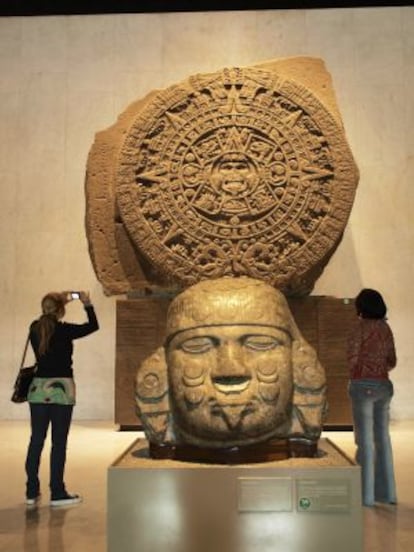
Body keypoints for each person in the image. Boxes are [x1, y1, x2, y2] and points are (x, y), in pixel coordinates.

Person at [25, 291, 99, 507]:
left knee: (36, 440)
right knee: (59, 443)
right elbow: (92, 326)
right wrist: (86, 303)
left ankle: (31, 492)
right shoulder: (65, 330)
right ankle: (57, 492)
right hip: (62, 390)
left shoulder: (34, 328)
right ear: (60, 310)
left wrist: (58, 302)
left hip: (38, 389)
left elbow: (48, 320)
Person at [347, 288, 397, 507]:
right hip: (384, 386)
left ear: (361, 308)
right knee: (383, 440)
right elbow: (392, 361)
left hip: (362, 386)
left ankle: (365, 496)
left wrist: (362, 371)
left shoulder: (358, 329)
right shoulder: (386, 329)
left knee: (365, 441)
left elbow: (352, 359)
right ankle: (387, 495)